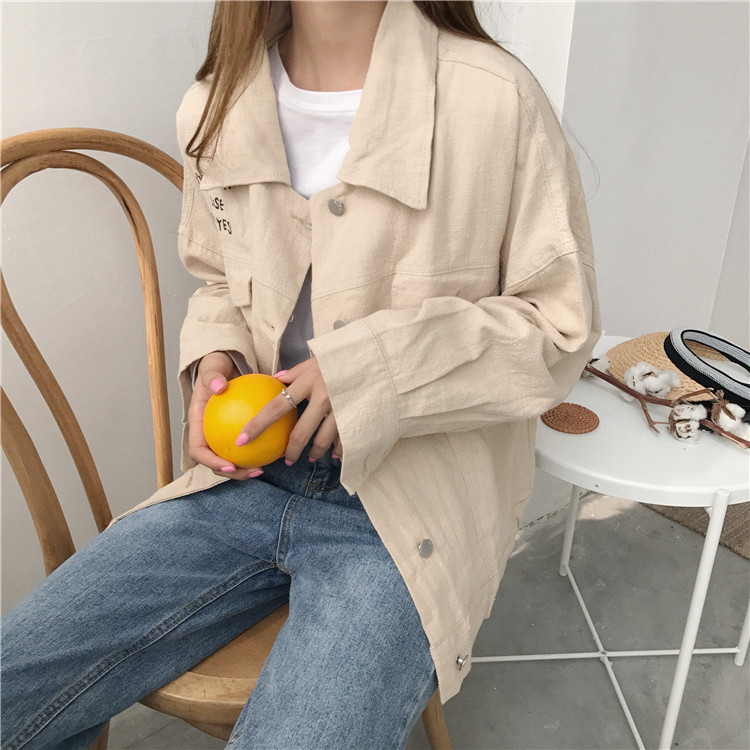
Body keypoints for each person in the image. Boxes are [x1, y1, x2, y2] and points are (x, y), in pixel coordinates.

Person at [1, 1, 602, 748]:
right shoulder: (215, 105)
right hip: (246, 479)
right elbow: (218, 279)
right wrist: (216, 357)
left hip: (403, 507)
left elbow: (557, 328)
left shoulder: (495, 99)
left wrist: (377, 371)